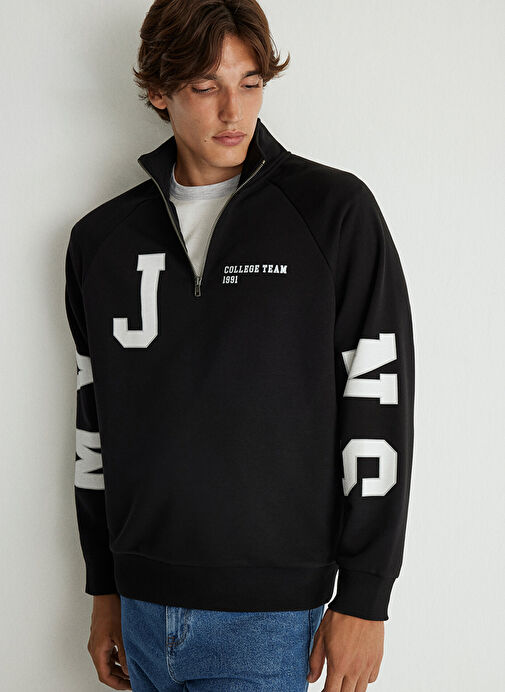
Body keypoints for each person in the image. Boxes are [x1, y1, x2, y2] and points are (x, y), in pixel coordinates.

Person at [64, 1, 415, 690]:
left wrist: (366, 596)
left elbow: (378, 401)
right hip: (139, 607)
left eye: (250, 83)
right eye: (205, 86)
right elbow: (93, 421)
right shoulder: (100, 242)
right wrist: (104, 587)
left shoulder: (331, 214)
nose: (234, 111)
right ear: (158, 91)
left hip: (267, 618)